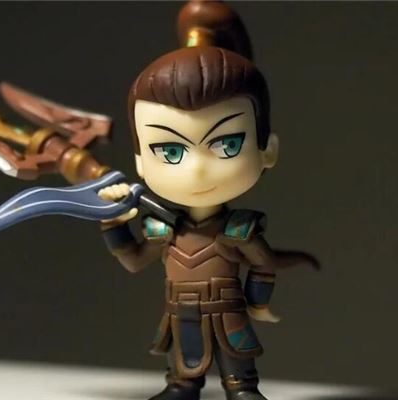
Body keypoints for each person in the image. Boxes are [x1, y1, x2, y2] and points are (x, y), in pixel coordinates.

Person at [99, 2, 317, 399]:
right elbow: (132, 260)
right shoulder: (163, 228)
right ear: (140, 161)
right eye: (170, 151)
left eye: (227, 144)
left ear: (267, 149)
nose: (198, 170)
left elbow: (264, 264)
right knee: (182, 374)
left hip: (228, 310)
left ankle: (241, 388)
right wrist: (112, 222)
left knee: (238, 376)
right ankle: (182, 387)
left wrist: (257, 303)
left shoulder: (239, 229)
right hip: (179, 311)